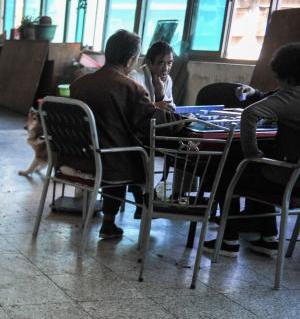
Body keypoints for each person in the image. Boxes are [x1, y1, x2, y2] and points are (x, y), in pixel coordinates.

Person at [70, 30, 179, 239]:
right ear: (131, 59)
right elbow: (151, 124)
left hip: (77, 159)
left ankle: (110, 222)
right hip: (109, 163)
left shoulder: (79, 84)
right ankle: (147, 205)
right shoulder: (130, 87)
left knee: (117, 146)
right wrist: (182, 120)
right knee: (134, 153)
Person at [203, 42, 300, 257]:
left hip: (288, 179)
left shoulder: (293, 95)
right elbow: (274, 97)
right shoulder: (293, 92)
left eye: (278, 78)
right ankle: (268, 238)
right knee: (258, 167)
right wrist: (255, 92)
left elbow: (249, 114)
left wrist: (252, 154)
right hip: (293, 176)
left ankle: (228, 240)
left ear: (289, 78)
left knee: (227, 168)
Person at [130, 41, 176, 110]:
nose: (166, 69)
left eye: (169, 63)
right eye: (161, 63)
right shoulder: (135, 78)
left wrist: (161, 95)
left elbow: (172, 109)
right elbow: (130, 110)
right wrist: (155, 106)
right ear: (149, 63)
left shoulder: (167, 79)